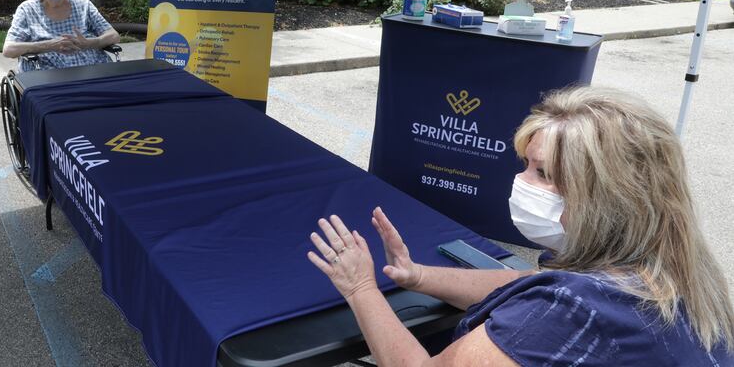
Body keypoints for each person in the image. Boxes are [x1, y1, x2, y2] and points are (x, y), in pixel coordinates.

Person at [307, 86, 734, 366]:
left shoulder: (572, 311)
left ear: (608, 194)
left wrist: (360, 288)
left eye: (544, 174)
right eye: (526, 166)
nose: (523, 183)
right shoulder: (673, 269)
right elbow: (529, 280)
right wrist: (418, 276)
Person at [2, 0, 120, 73]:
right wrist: (50, 45)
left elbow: (113, 36)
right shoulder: (27, 9)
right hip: (51, 78)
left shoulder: (83, 4)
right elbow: (9, 49)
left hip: (93, 71)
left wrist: (89, 43)